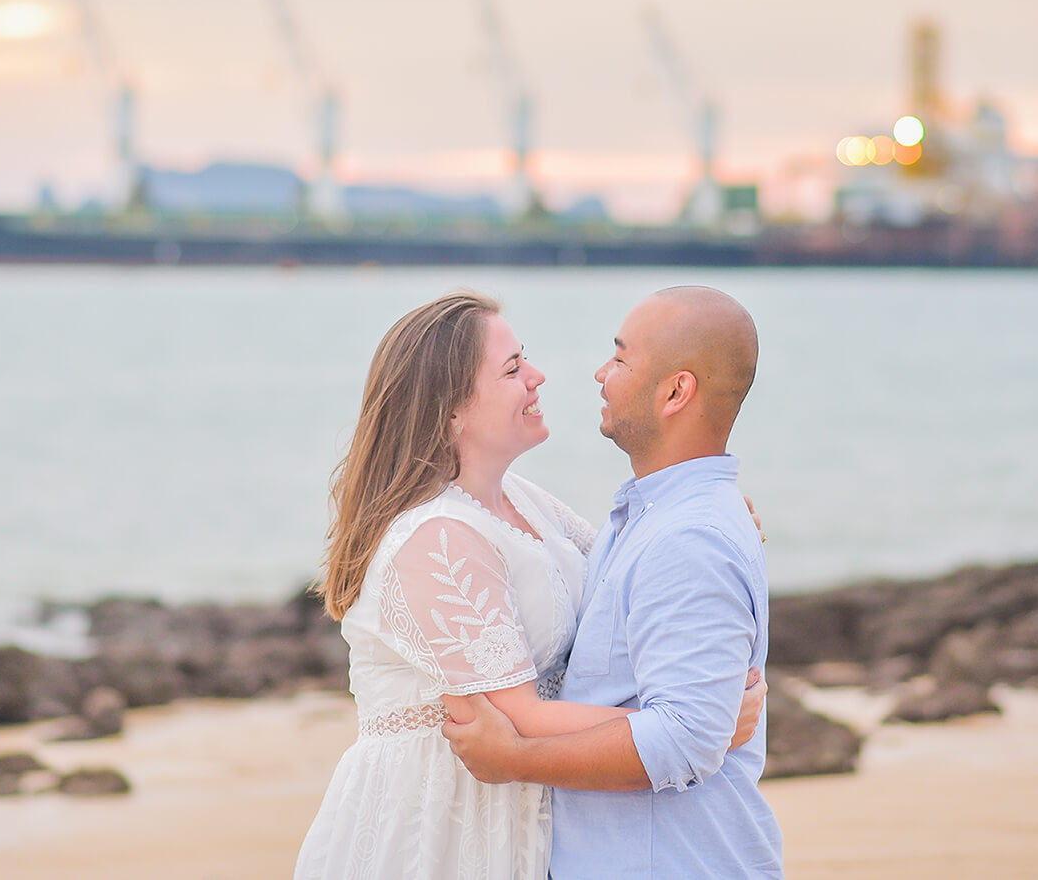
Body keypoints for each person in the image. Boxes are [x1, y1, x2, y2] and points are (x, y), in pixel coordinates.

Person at [293, 290, 764, 880]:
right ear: (450, 411)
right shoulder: (437, 536)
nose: (538, 376)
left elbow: (624, 580)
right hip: (440, 823)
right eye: (513, 369)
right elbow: (515, 713)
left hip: (521, 809)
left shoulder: (527, 504)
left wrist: (701, 508)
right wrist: (701, 727)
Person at [443, 286, 783, 879]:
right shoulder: (652, 520)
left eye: (621, 359)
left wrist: (516, 759)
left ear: (676, 391)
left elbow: (684, 739)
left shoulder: (688, 538)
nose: (602, 374)